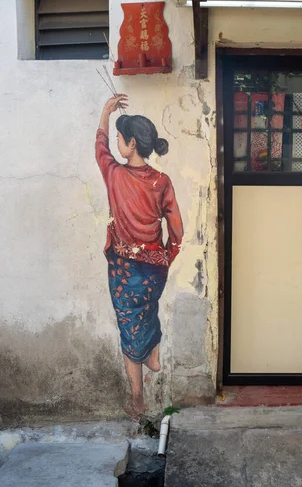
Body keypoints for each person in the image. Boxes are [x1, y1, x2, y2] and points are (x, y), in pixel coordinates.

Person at [96, 94, 183, 417]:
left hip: (123, 268)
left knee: (128, 325)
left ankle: (137, 399)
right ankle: (154, 356)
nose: (117, 143)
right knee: (147, 312)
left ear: (131, 143)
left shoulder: (114, 175)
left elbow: (100, 147)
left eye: (121, 139)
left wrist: (105, 111)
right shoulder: (162, 182)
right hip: (155, 269)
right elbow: (177, 230)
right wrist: (167, 257)